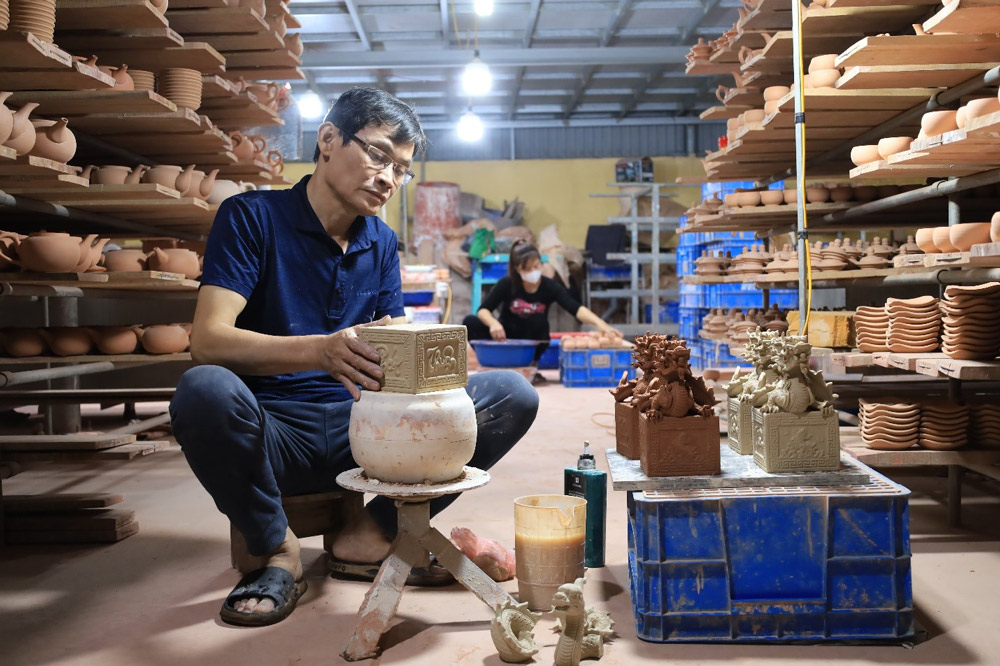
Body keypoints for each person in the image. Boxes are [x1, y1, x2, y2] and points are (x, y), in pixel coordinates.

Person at [168, 87, 539, 627]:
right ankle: (276, 550)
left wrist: (423, 355)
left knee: (511, 394)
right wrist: (321, 351)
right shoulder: (251, 217)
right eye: (379, 155)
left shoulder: (381, 242)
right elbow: (208, 339)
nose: (389, 177)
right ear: (327, 140)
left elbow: (393, 353)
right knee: (202, 389)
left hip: (363, 429)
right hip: (274, 430)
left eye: (402, 169)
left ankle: (372, 533)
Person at [463, 240, 622, 364]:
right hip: (505, 339)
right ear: (517, 269)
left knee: (539, 323)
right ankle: (493, 360)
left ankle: (532, 363)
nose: (533, 271)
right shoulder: (507, 283)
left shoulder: (549, 286)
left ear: (541, 264)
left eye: (536, 266)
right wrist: (493, 323)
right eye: (527, 269)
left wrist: (601, 324)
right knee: (470, 322)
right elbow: (483, 310)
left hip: (532, 342)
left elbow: (575, 308)